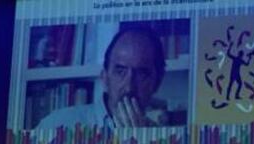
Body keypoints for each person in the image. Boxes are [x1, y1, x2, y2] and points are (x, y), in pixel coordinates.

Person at [36, 26, 167, 129]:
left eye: (142, 74)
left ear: (157, 82)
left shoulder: (163, 143)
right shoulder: (56, 125)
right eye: (120, 71)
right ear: (104, 77)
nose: (129, 87)